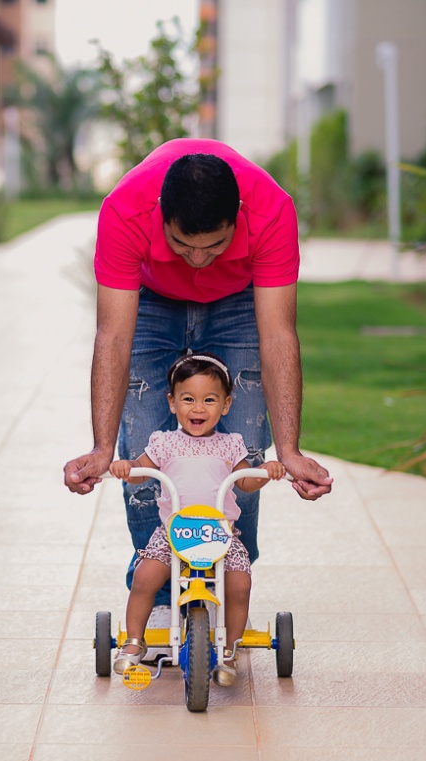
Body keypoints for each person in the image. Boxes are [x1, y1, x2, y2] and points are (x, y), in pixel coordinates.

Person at [62, 139, 334, 606]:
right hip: (150, 301)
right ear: (161, 217)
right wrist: (102, 447)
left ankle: (225, 590)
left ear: (238, 218)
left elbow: (277, 338)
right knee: (147, 455)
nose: (198, 260)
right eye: (182, 244)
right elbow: (113, 338)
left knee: (242, 456)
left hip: (237, 303)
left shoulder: (271, 210)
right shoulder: (125, 209)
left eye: (215, 245)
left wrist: (288, 449)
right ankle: (164, 603)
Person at [109, 352, 286, 686]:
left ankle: (230, 648)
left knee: (240, 582)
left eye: (209, 400)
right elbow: (139, 472)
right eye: (188, 399)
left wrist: (265, 472)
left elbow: (245, 481)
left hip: (221, 533)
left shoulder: (231, 445)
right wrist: (127, 468)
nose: (199, 408)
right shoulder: (164, 443)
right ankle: (134, 640)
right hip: (172, 532)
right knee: (146, 576)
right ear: (172, 403)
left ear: (227, 405)